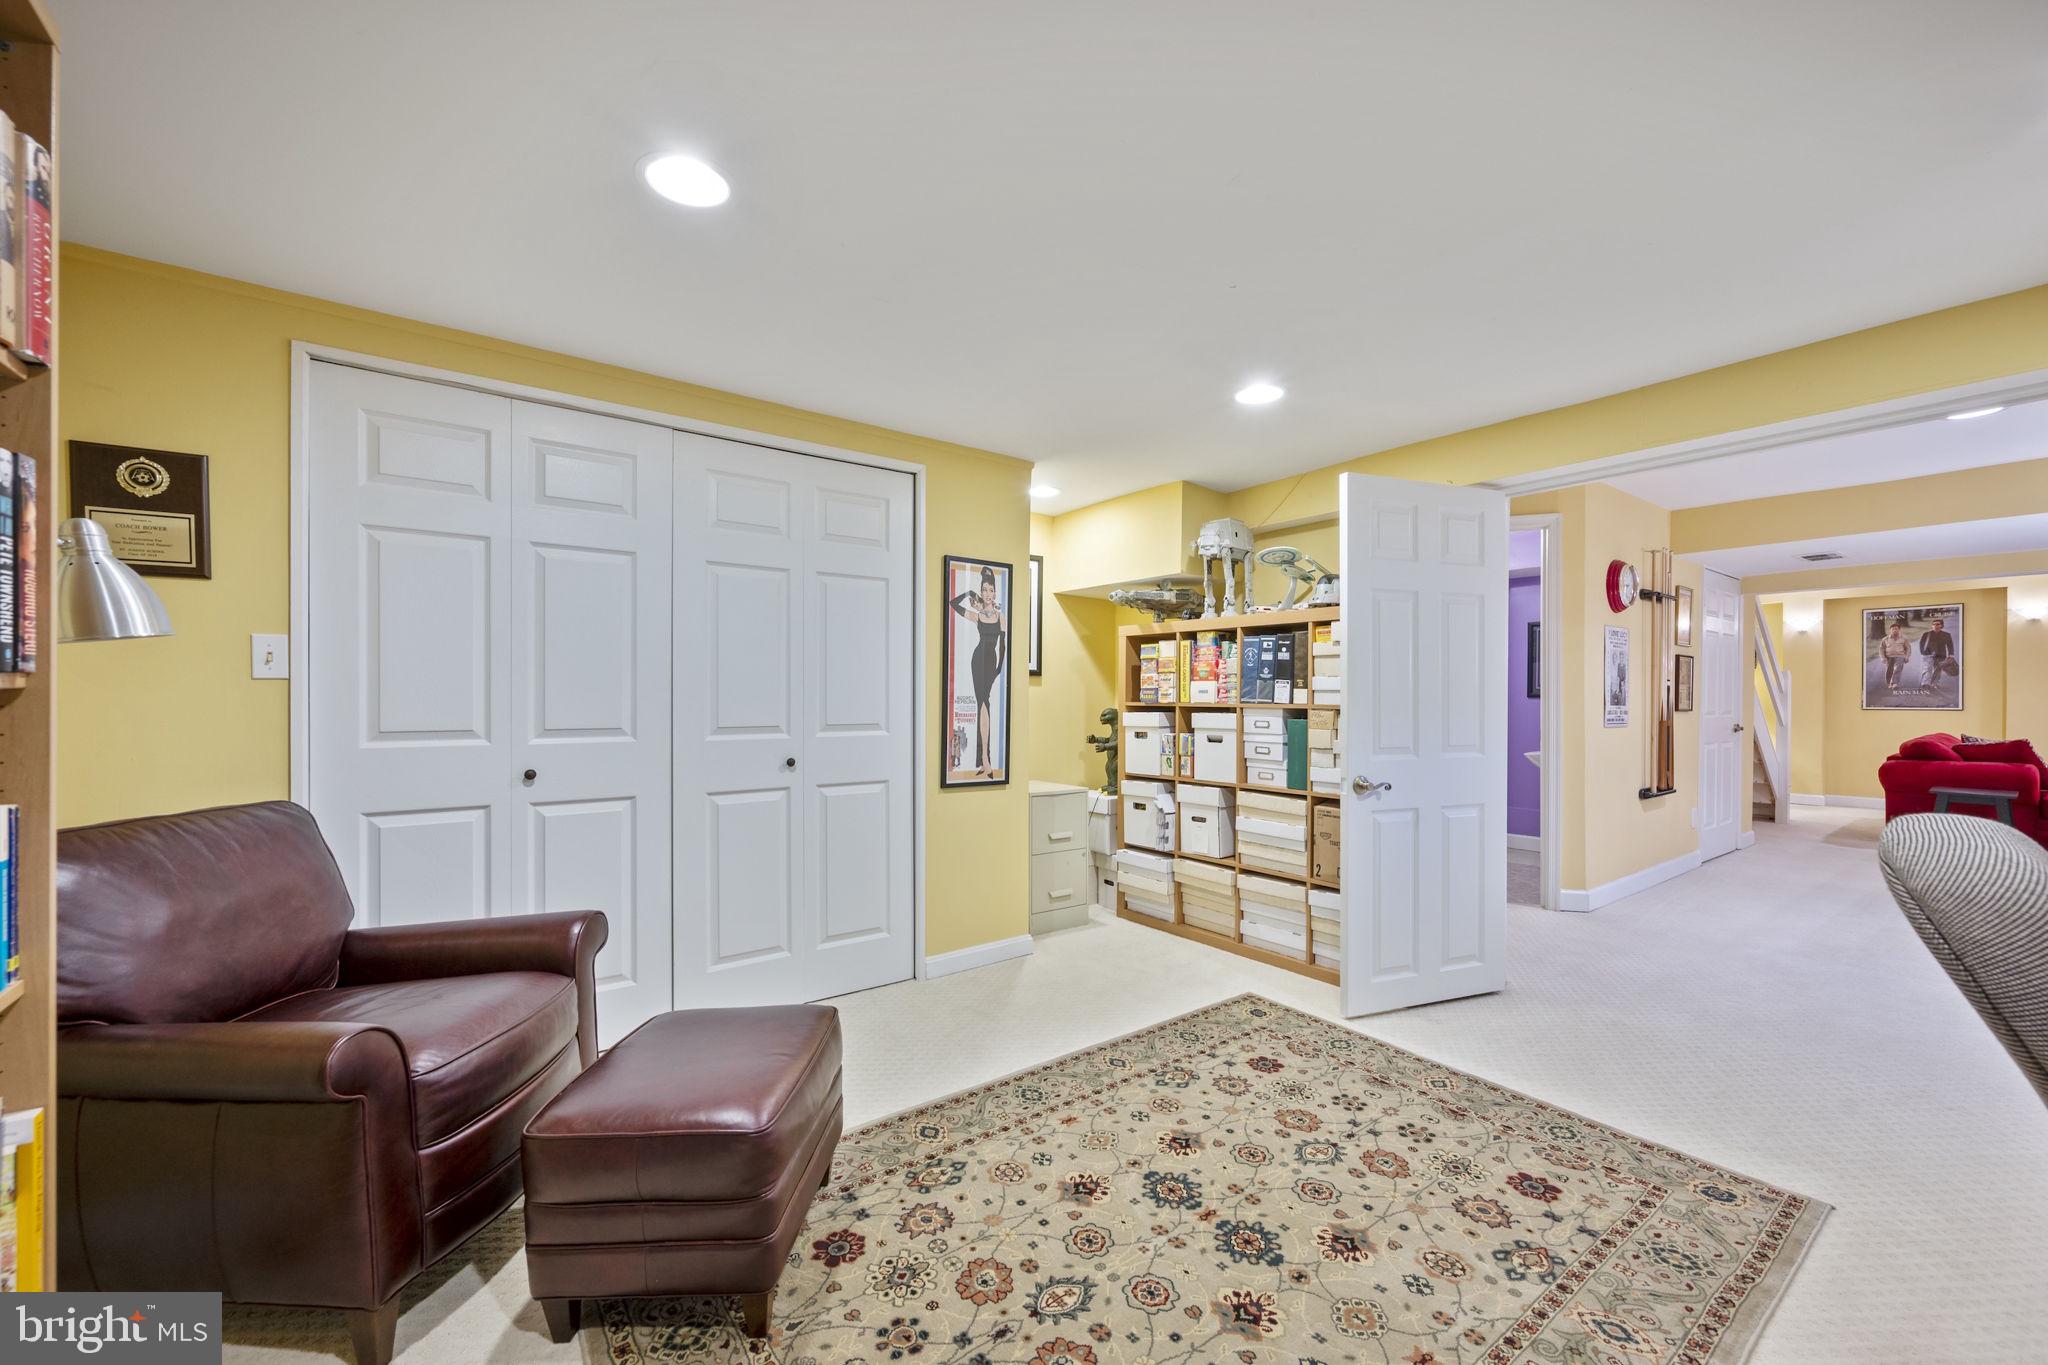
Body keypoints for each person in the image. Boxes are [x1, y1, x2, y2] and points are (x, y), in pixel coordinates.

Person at [949, 565, 1007, 778]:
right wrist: (968, 593)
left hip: (991, 662)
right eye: (984, 590)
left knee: (985, 704)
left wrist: (999, 668)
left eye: (991, 590)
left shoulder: (1000, 616)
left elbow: (1003, 645)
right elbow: (953, 604)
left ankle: (985, 760)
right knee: (983, 704)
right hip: (977, 660)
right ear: (981, 592)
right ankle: (985, 761)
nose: (988, 593)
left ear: (995, 592)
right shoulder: (977, 616)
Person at [1918, 612, 1957, 688]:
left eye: (1938, 624)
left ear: (1941, 625)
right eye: (1934, 624)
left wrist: (1951, 655)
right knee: (1927, 669)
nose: (1935, 626)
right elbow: (1921, 644)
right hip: (1928, 654)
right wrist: (1923, 652)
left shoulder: (1946, 635)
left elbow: (1950, 645)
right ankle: (1925, 683)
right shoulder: (1926, 634)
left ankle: (1934, 683)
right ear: (1932, 626)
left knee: (1938, 670)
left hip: (1941, 655)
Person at [1880, 618, 1911, 691]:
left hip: (1900, 656)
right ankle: (1889, 683)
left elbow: (1908, 648)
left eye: (1896, 629)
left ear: (1899, 630)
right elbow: (1881, 649)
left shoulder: (1904, 639)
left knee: (1897, 669)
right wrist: (1883, 657)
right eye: (1893, 629)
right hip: (1889, 657)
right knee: (1889, 670)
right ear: (1890, 630)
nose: (1894, 630)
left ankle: (1895, 683)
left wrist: (1907, 657)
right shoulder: (1885, 639)